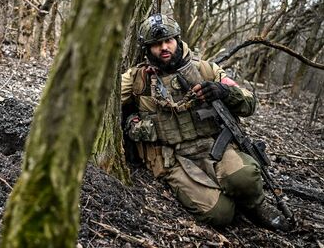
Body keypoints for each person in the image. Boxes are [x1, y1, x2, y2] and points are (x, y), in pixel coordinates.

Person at [121, 13, 290, 231]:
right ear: (147, 49)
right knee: (220, 214)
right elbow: (102, 97)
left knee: (245, 178)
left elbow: (249, 103)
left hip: (213, 148)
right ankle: (230, 204)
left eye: (169, 41)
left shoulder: (205, 70)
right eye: (156, 44)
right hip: (172, 160)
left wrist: (224, 92)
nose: (164, 47)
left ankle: (256, 206)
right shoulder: (138, 78)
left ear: (178, 40)